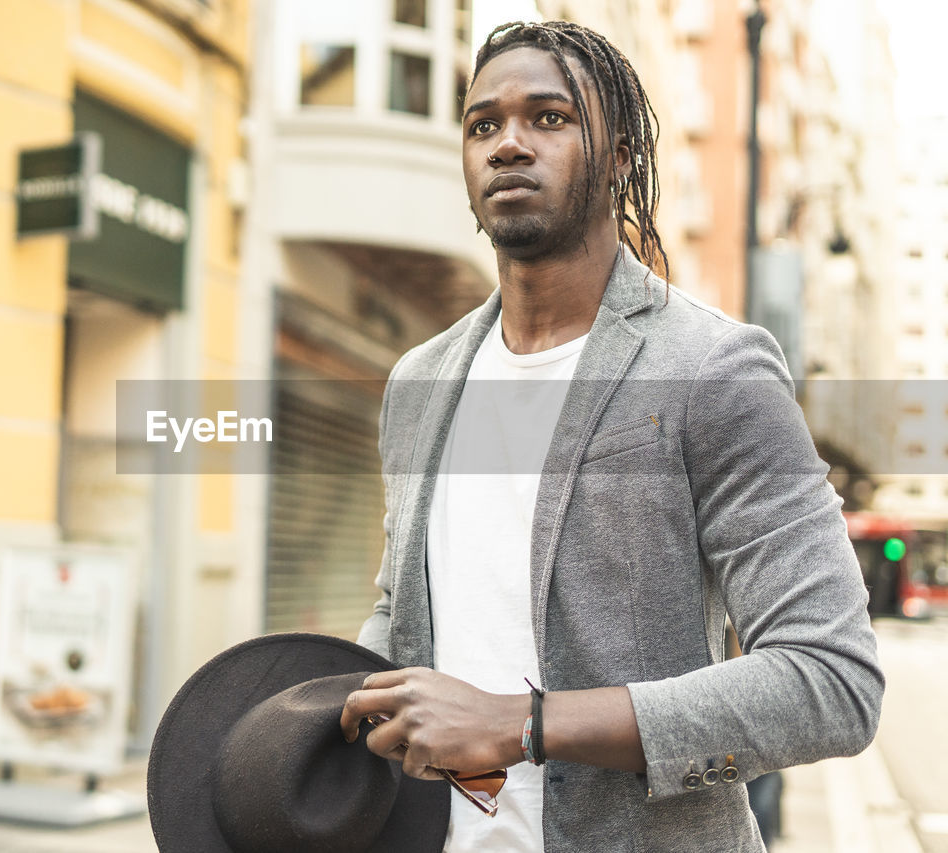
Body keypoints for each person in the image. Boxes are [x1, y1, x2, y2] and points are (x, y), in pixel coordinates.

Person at [338, 20, 882, 852]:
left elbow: (832, 681)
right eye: (483, 124)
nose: (508, 143)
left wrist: (525, 724)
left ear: (622, 157)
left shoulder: (712, 369)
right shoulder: (420, 382)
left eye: (549, 118)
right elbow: (401, 609)